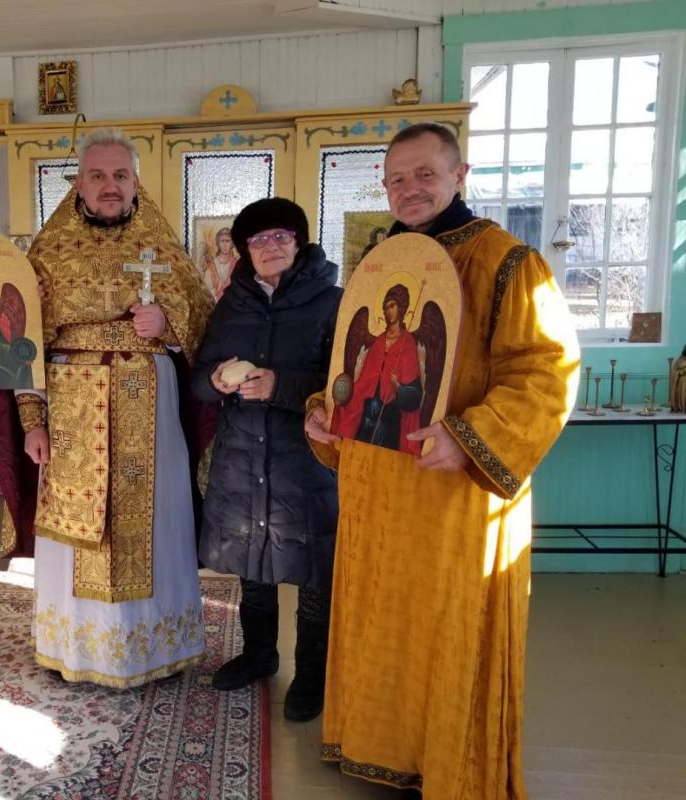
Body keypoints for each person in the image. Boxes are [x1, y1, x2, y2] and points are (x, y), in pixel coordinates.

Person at [305, 123, 579, 798]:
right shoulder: (382, 261)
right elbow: (351, 363)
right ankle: (378, 745)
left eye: (424, 174)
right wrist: (323, 410)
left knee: (445, 626)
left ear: (459, 175)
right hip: (376, 489)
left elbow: (547, 372)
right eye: (396, 177)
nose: (409, 188)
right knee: (379, 617)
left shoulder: (506, 262)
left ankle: (450, 765)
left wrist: (467, 436)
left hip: (452, 491)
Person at [0, 127, 212, 688]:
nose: (109, 186)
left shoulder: (164, 247)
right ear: (79, 183)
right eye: (97, 176)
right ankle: (79, 650)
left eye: (119, 175)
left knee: (152, 522)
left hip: (149, 406)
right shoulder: (47, 252)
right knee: (74, 532)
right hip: (70, 410)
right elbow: (25, 344)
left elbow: (204, 320)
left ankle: (151, 649)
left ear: (136, 181)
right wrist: (31, 423)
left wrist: (169, 326)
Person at [192, 198, 341, 722]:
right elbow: (198, 378)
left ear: (299, 242)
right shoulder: (229, 305)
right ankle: (259, 656)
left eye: (281, 236)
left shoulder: (334, 303)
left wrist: (282, 387)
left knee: (313, 573)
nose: (271, 246)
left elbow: (349, 387)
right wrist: (212, 382)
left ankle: (311, 676)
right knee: (252, 568)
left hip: (306, 462)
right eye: (259, 239)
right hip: (242, 459)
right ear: (245, 251)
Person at [331, 283, 423, 455]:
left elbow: (415, 393)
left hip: (391, 411)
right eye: (385, 307)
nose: (388, 311)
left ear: (402, 307)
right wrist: (345, 396)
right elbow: (365, 380)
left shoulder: (407, 343)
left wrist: (399, 387)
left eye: (392, 306)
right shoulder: (379, 342)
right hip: (369, 408)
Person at [202, 226, 238, 301]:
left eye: (227, 241)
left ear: (232, 244)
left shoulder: (236, 264)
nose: (225, 245)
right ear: (218, 243)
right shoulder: (212, 265)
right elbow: (206, 289)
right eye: (222, 241)